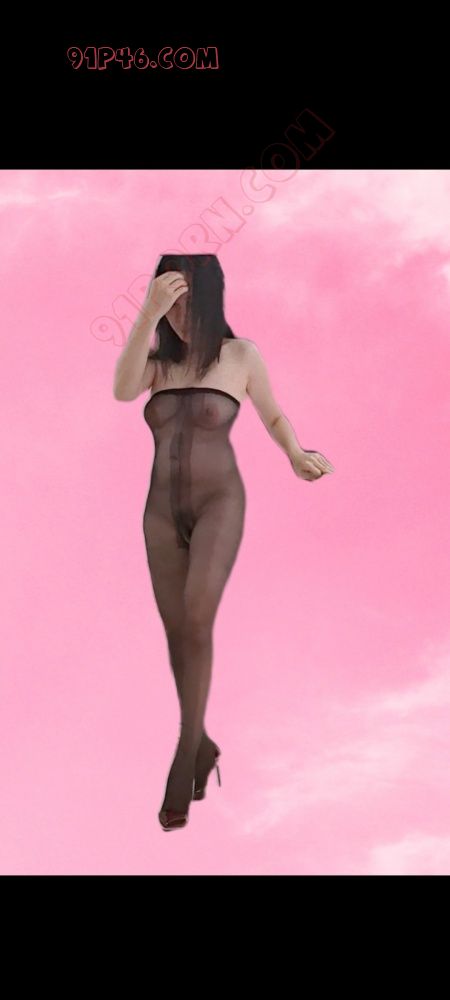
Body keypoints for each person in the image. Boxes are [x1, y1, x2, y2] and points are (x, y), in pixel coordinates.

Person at [113, 253, 334, 831]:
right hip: (159, 513)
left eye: (187, 304)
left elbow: (273, 416)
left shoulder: (241, 356)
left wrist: (296, 454)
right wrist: (147, 313)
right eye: (170, 305)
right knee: (177, 631)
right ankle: (202, 741)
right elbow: (121, 390)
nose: (179, 316)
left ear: (211, 299)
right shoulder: (157, 364)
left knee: (196, 619)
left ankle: (185, 752)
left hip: (219, 504)